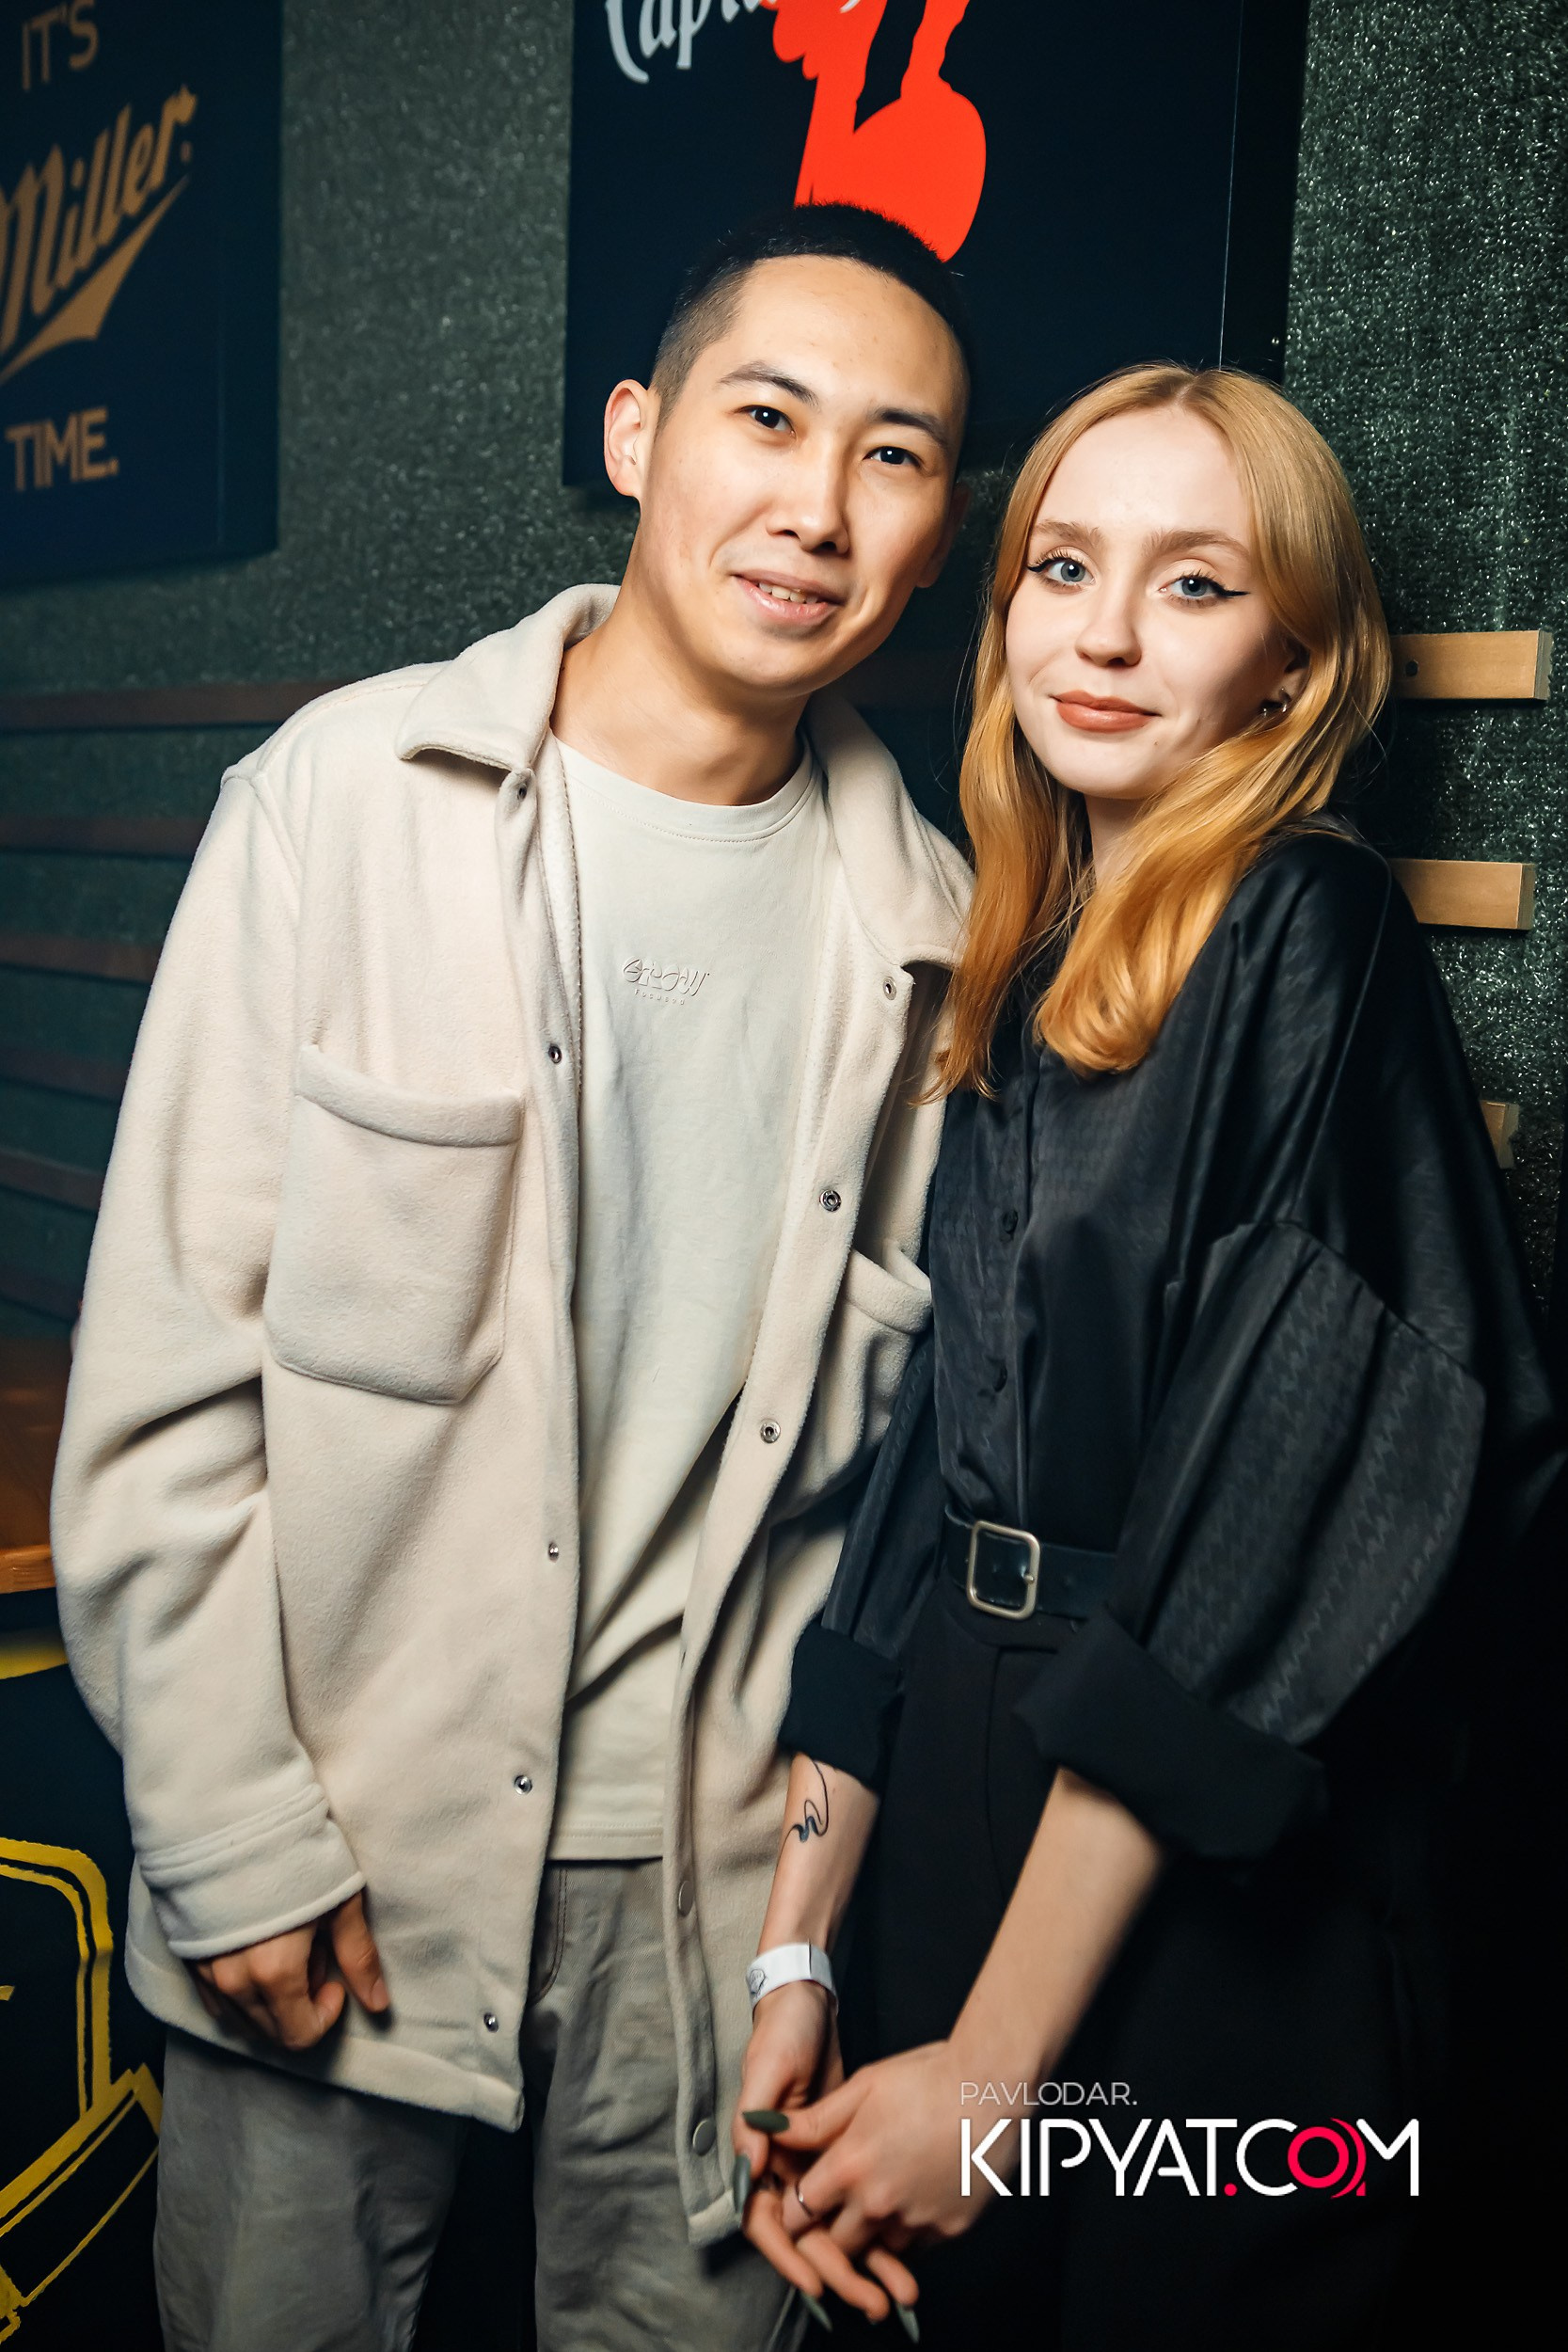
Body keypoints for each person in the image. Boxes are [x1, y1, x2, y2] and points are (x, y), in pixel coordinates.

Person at [50, 203, 975, 2352]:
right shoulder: (342, 802)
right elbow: (170, 1378)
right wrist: (229, 1831)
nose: (819, 507)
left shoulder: (937, 936)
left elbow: (885, 1521)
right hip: (336, 1849)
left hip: (715, 1908)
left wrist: (803, 1931)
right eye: (769, 418)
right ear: (637, 436)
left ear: (940, 532)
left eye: (896, 455)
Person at [731, 363, 1564, 2348]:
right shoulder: (1023, 959)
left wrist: (997, 2074)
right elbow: (934, 1470)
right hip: (961, 1789)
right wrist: (797, 1950)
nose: (1102, 634)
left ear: (1295, 664)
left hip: (1208, 1869)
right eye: (1063, 567)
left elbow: (1272, 1510)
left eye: (1194, 584)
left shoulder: (1309, 925)